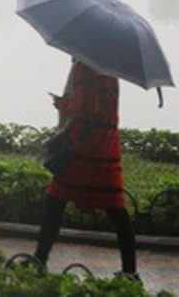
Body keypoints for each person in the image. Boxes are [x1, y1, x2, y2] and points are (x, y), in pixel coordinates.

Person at [33, 58, 139, 282]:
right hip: (107, 147)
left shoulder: (84, 67)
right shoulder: (111, 69)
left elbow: (87, 109)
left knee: (54, 202)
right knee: (117, 211)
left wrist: (63, 104)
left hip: (83, 151)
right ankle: (130, 272)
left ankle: (39, 260)